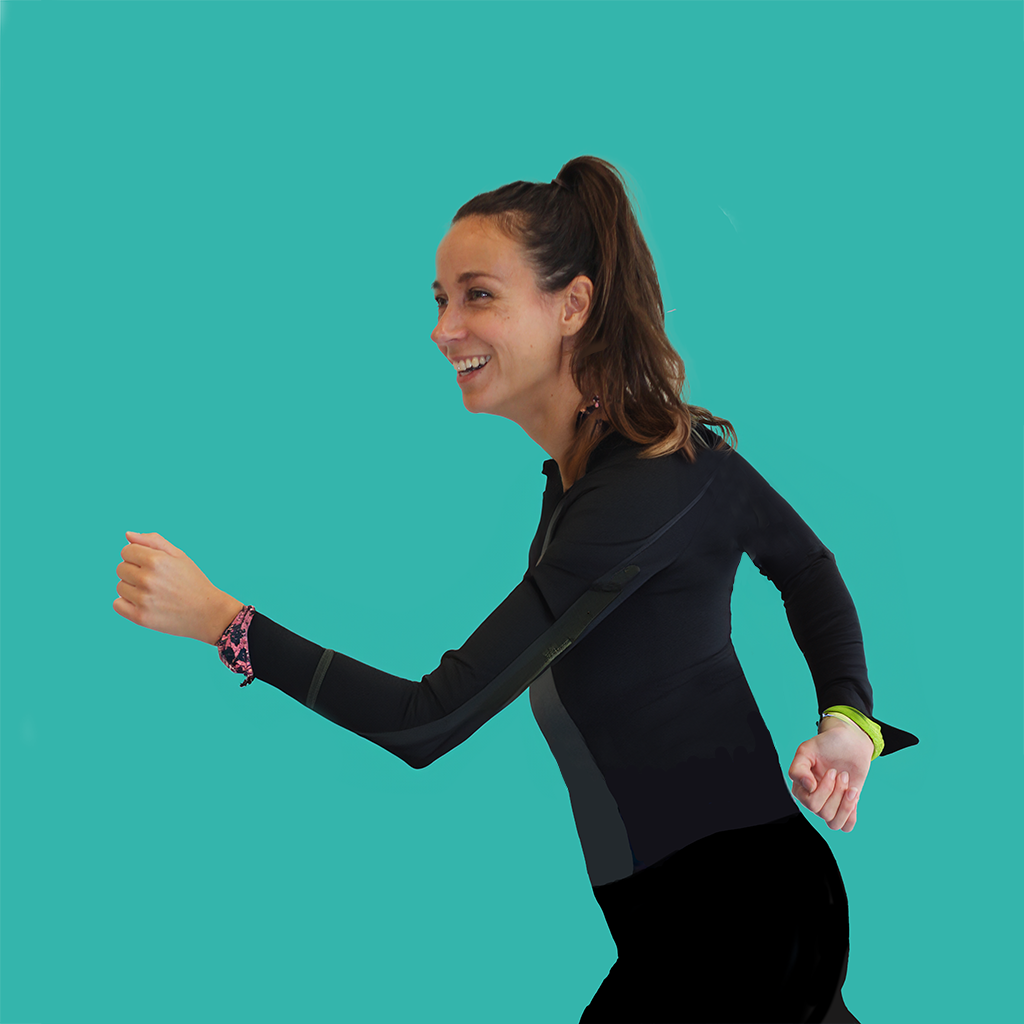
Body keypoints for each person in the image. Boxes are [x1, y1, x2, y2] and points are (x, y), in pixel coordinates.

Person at [114, 156, 918, 1023]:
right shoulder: (608, 475)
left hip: (738, 925)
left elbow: (427, 720)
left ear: (572, 306)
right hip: (700, 920)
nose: (443, 328)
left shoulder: (646, 485)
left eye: (478, 295)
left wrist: (224, 622)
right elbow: (807, 568)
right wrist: (848, 716)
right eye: (439, 299)